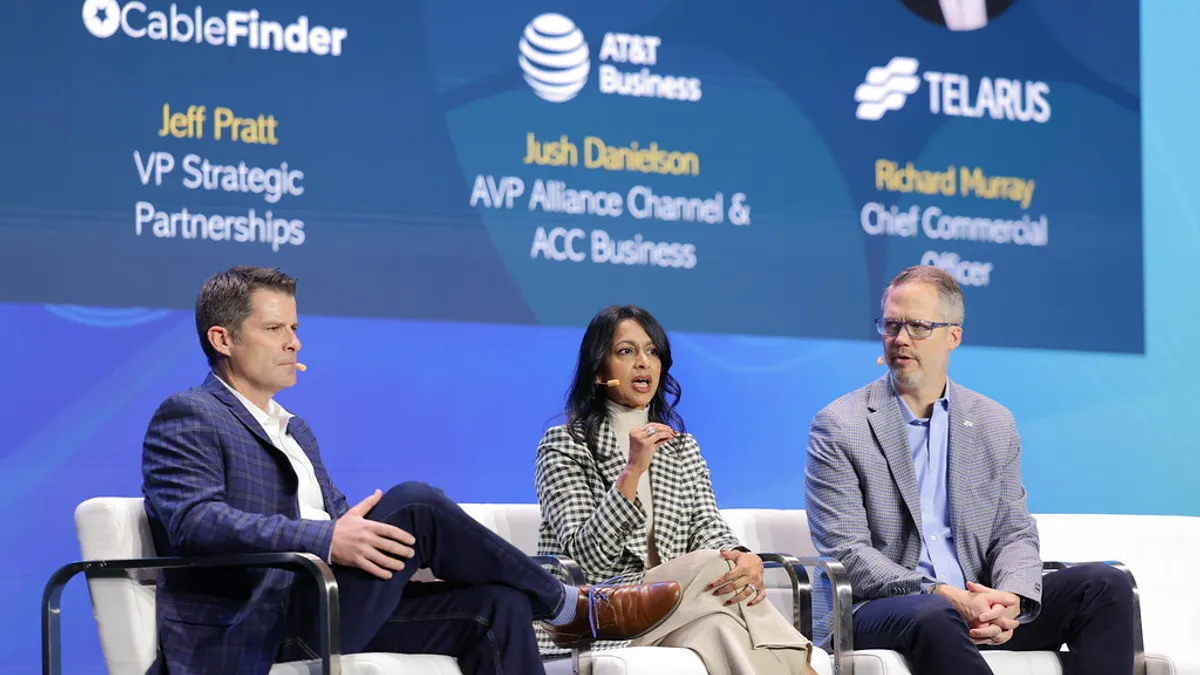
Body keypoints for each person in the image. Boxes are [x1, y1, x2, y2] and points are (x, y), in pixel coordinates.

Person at [141, 267, 682, 675]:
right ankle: (569, 605)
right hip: (259, 624)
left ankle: (552, 603)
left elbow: (341, 522)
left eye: (295, 328)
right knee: (416, 503)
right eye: (276, 329)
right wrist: (328, 537)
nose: (295, 343)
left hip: (327, 605)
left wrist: (385, 548)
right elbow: (194, 523)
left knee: (499, 605)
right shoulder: (191, 414)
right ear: (223, 339)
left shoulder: (294, 429)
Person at [804, 265, 1135, 674]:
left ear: (953, 336)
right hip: (880, 608)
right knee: (934, 613)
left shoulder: (993, 422)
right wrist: (944, 594)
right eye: (891, 325)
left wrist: (1010, 598)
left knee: (1105, 586)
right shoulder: (841, 424)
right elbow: (847, 551)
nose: (901, 339)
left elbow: (1013, 530)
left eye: (918, 326)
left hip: (975, 603)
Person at [535, 305, 815, 675]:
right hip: (599, 616)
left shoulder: (681, 448)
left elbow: (707, 526)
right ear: (599, 371)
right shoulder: (564, 446)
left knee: (722, 624)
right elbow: (587, 559)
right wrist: (632, 470)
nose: (643, 363)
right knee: (713, 564)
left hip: (674, 611)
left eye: (652, 352)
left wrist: (743, 556)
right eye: (626, 351)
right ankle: (806, 665)